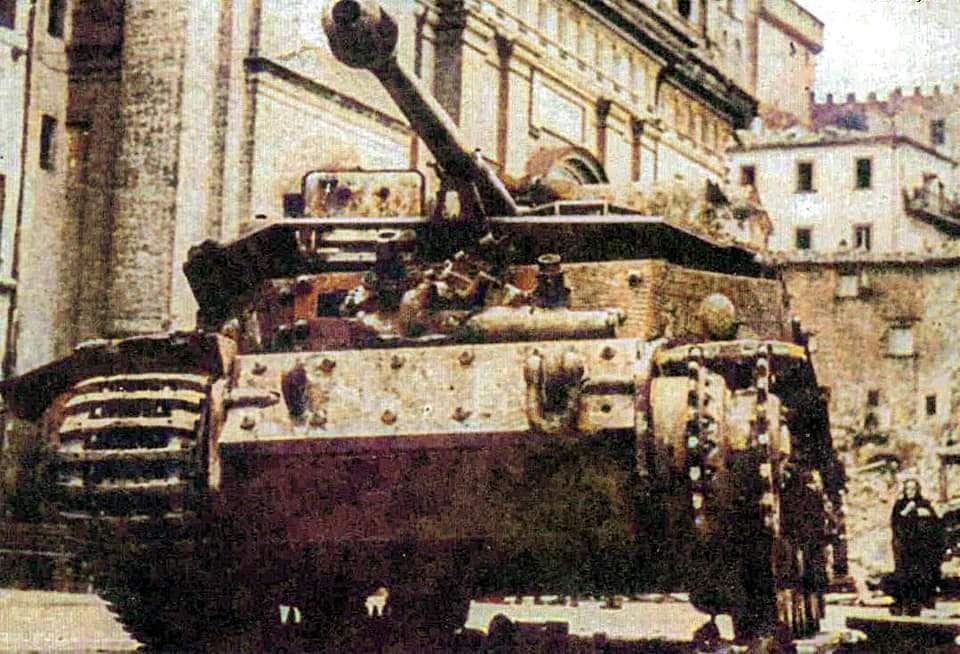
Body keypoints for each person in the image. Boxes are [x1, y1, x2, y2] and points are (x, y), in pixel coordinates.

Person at [890, 479, 945, 615]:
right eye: (908, 489)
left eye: (913, 489)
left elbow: (935, 524)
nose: (910, 492)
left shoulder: (924, 504)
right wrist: (907, 510)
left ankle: (923, 603)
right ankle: (905, 604)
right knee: (905, 576)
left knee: (922, 575)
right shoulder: (900, 505)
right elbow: (896, 523)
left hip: (921, 548)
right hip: (905, 548)